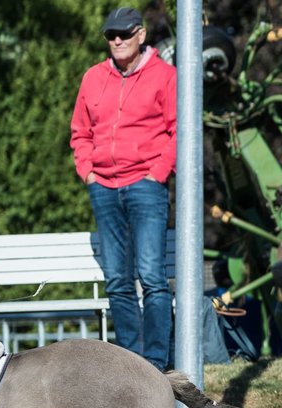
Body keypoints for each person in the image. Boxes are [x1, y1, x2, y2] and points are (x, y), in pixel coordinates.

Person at [70, 6, 177, 370]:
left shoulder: (165, 76)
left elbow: (178, 131)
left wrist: (158, 173)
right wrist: (88, 172)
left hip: (146, 185)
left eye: (124, 34)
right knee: (117, 281)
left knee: (151, 278)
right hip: (104, 187)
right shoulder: (93, 78)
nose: (116, 40)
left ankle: (157, 364)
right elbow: (80, 132)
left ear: (141, 35)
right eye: (110, 35)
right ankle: (132, 365)